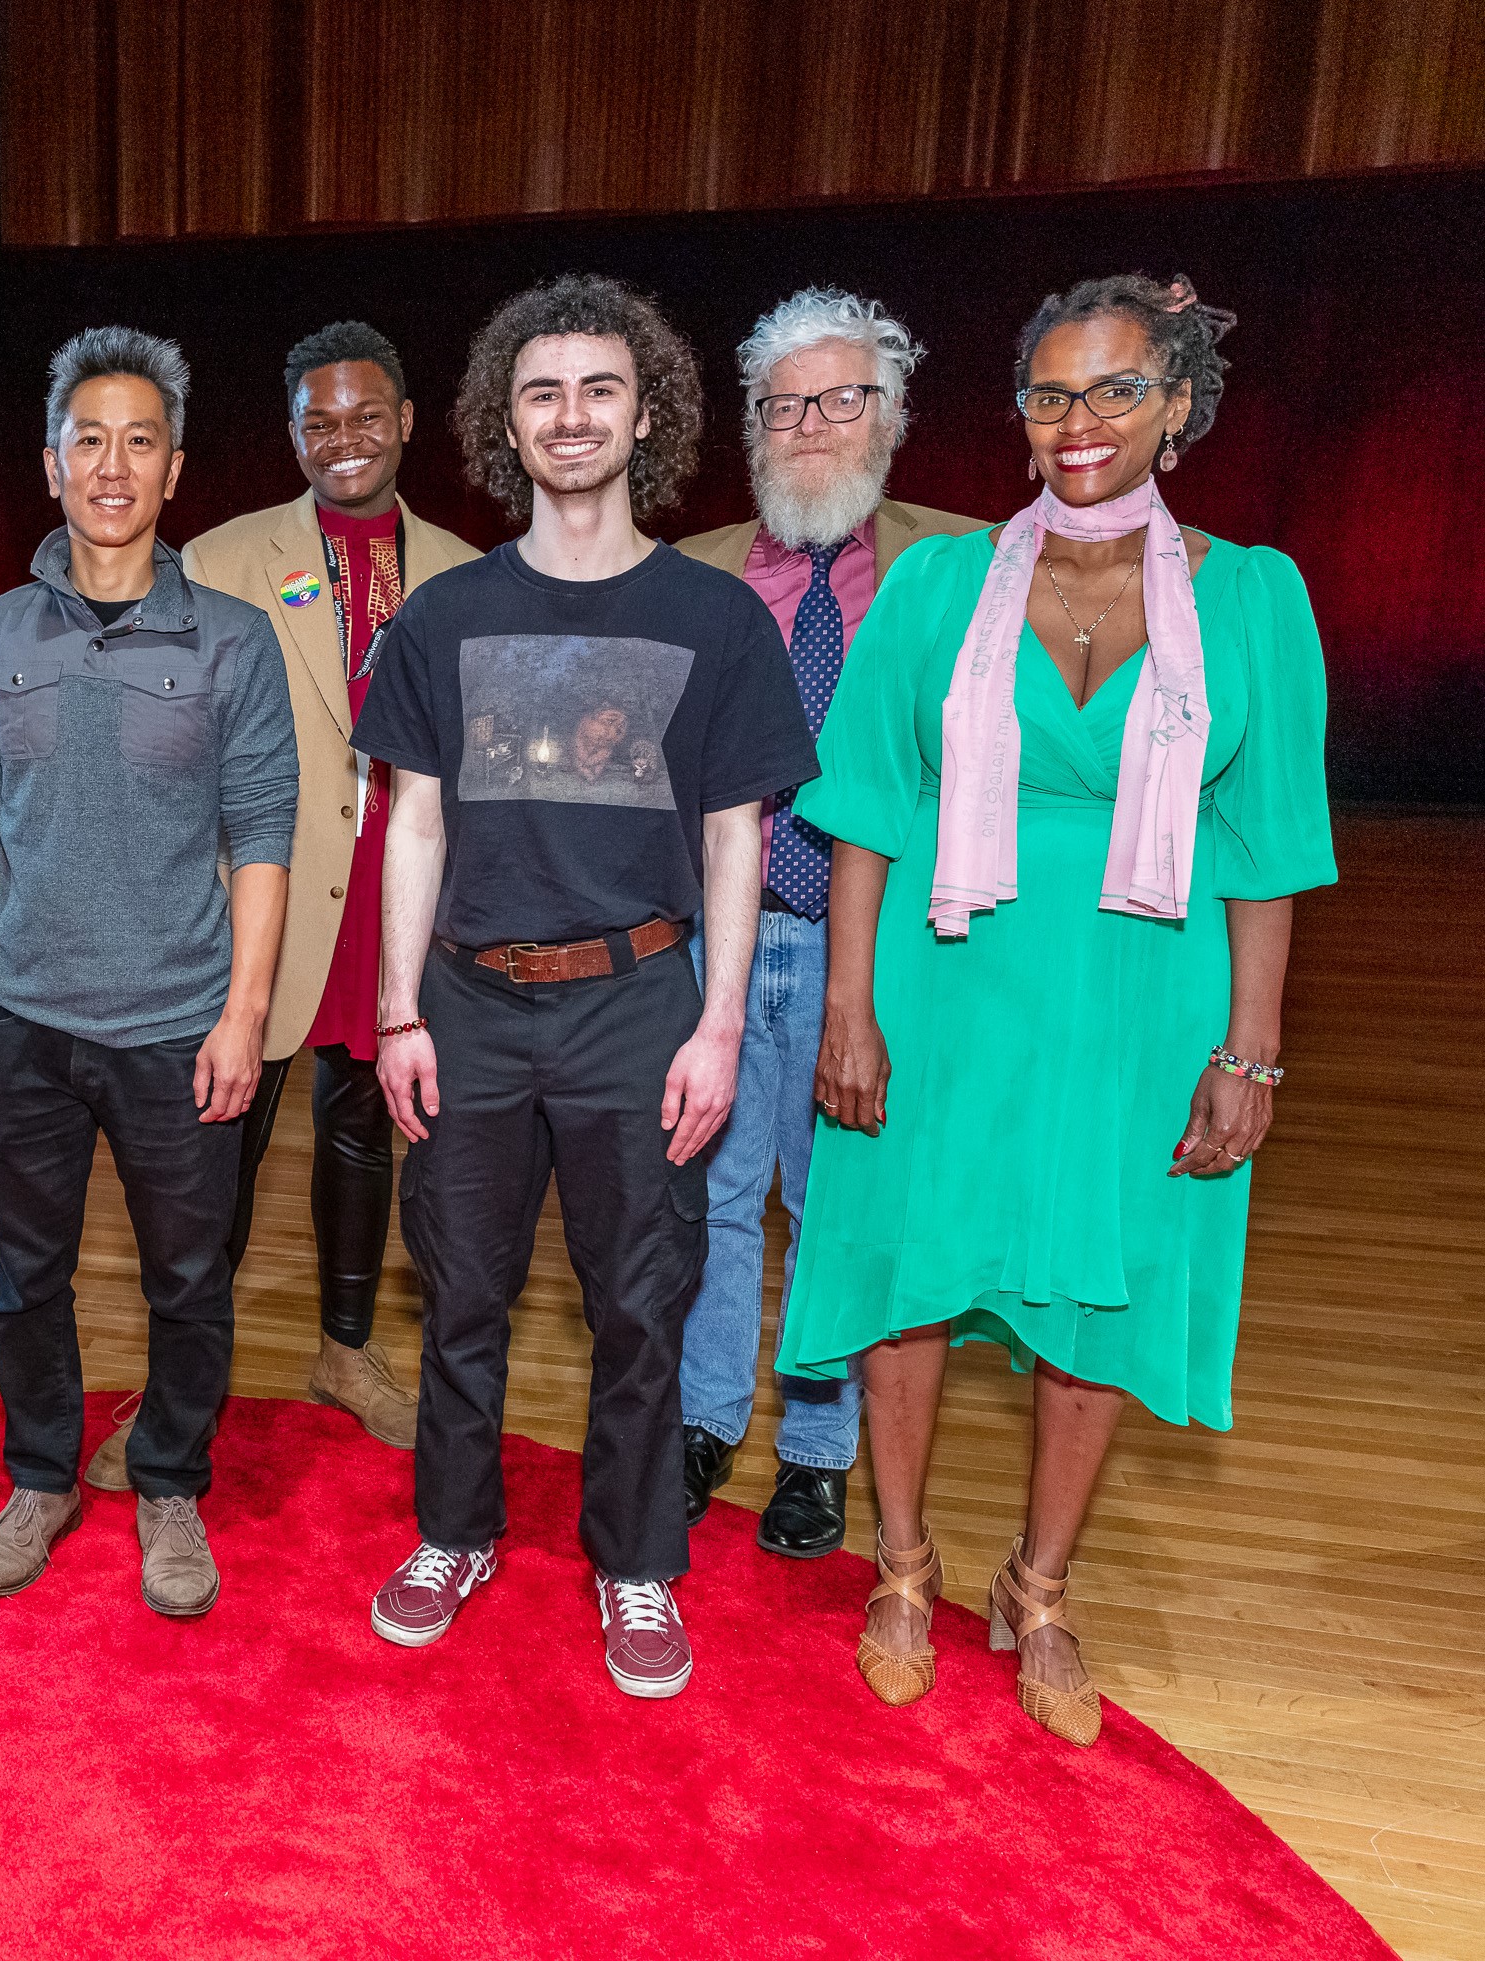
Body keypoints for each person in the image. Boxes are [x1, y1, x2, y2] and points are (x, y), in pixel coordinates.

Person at [776, 275, 1334, 1746]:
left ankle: (1040, 1584)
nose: (1078, 422)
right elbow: (867, 814)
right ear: (1019, 417)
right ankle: (901, 1560)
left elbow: (1267, 846)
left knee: (1094, 1281)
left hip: (1139, 999)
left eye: (1115, 391)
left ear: (1179, 412)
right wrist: (848, 1006)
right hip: (944, 978)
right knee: (908, 1269)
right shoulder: (942, 589)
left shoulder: (1253, 600)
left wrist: (1251, 1048)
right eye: (1050, 394)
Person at [350, 274, 818, 1696]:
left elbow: (736, 838)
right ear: (508, 419)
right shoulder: (441, 617)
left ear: (646, 414)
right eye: (543, 390)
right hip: (472, 1004)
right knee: (463, 1294)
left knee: (641, 1299)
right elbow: (412, 825)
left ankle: (633, 1564)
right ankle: (455, 1532)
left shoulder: (716, 619)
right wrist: (398, 1013)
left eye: (599, 389)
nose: (571, 415)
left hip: (641, 1002)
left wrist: (721, 1023)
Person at [0, 326, 298, 1619]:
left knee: (188, 1280)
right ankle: (42, 1476)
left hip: (175, 1026)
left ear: (174, 469)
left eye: (139, 440)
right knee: (26, 1277)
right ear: (51, 465)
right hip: (23, 1023)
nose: (112, 463)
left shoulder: (237, 643)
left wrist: (245, 1015)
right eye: (89, 438)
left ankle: (171, 1483)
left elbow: (263, 833)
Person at [80, 322, 481, 1491]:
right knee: (215, 1154)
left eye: (366, 415)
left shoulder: (464, 570)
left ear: (406, 422)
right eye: (319, 420)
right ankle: (172, 1389)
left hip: (400, 898)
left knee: (365, 1131)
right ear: (292, 432)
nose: (342, 438)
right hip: (250, 896)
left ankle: (345, 1355)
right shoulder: (219, 556)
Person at [672, 290, 986, 1559]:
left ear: (891, 418)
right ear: (753, 427)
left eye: (841, 399)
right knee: (708, 1194)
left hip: (881, 953)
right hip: (716, 941)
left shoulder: (965, 568)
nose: (811, 426)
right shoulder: (687, 569)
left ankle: (816, 1448)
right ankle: (700, 1423)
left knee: (838, 1203)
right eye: (785, 404)